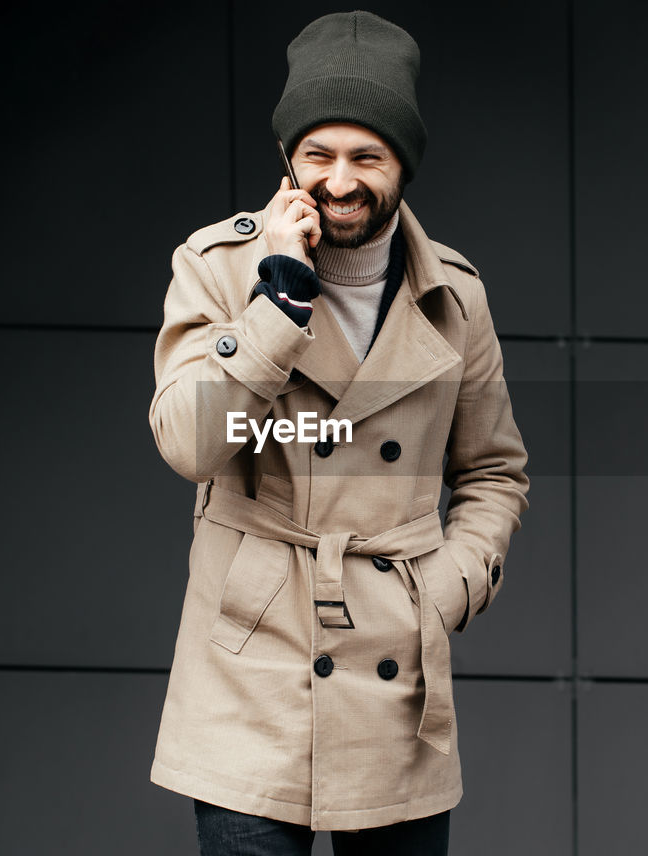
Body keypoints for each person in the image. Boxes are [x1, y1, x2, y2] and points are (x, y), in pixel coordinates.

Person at [147, 11, 529, 855]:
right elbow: (190, 444)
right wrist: (277, 298)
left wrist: (449, 587)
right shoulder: (218, 268)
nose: (340, 179)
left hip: (395, 671)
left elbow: (495, 471)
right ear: (289, 159)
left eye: (368, 156)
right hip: (252, 668)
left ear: (404, 164)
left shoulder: (454, 298)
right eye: (319, 154)